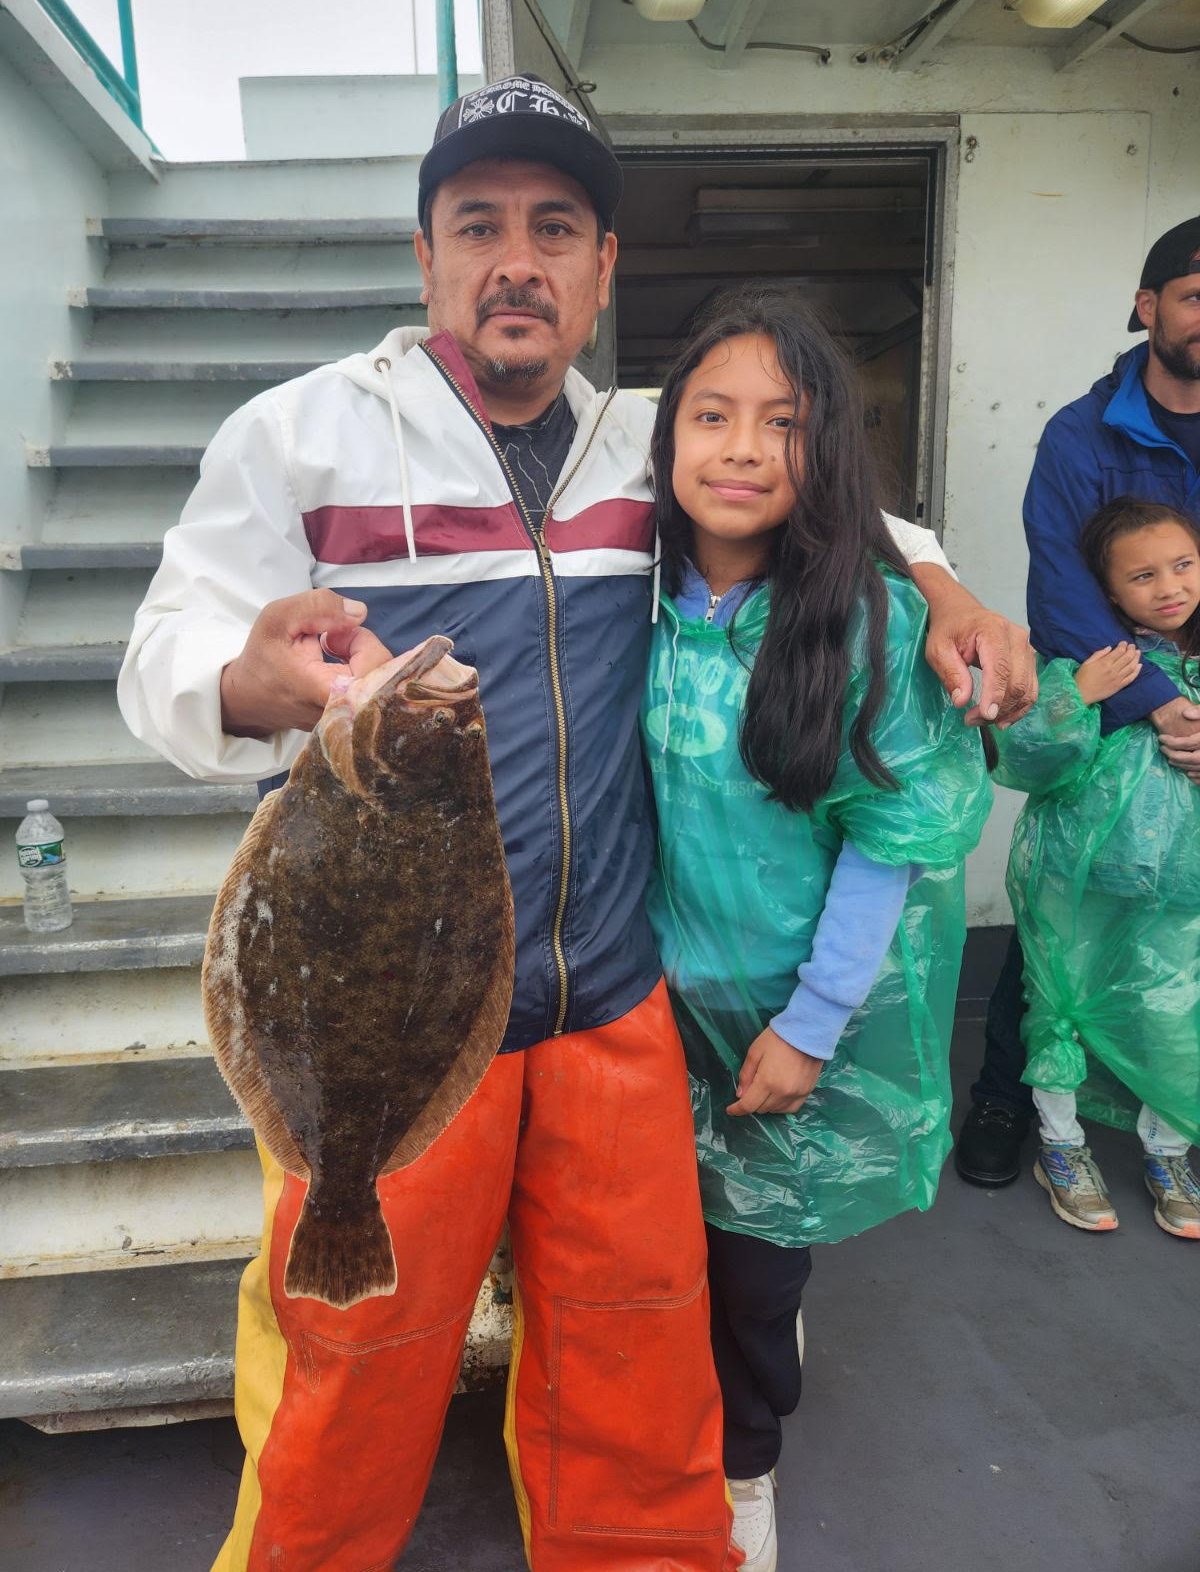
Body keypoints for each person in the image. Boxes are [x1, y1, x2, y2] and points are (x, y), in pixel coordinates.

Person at [118, 75, 1033, 1572]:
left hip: (614, 1001)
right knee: (347, 1364)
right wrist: (243, 677)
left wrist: (941, 588)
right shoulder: (297, 440)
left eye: (556, 227)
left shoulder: (655, 441)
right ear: (426, 257)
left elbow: (831, 499)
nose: (516, 260)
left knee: (634, 1357)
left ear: (606, 269)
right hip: (402, 1026)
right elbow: (161, 655)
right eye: (478, 224)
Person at [640, 289, 994, 1572]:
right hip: (661, 1000)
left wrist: (808, 1026)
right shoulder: (631, 600)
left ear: (824, 449)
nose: (739, 449)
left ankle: (747, 1466)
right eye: (712, 416)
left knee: (751, 1273)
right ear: (665, 432)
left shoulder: (868, 624)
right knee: (670, 1246)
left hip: (806, 1008)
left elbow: (892, 843)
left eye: (781, 425)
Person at [956, 214, 1200, 1191]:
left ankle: (1167, 1119)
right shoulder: (1081, 436)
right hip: (1112, 732)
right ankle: (1007, 1100)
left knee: (1182, 947)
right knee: (1060, 931)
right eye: (1194, 296)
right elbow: (1060, 587)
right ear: (1149, 309)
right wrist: (1157, 701)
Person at [994, 497, 1200, 1237]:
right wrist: (1077, 696)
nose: (1169, 586)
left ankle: (1168, 1151)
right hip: (1075, 880)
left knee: (1176, 1015)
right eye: (1143, 575)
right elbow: (1022, 761)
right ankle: (1061, 1145)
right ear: (1107, 593)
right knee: (1060, 1010)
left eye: (1183, 565)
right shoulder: (1089, 661)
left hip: (1181, 885)